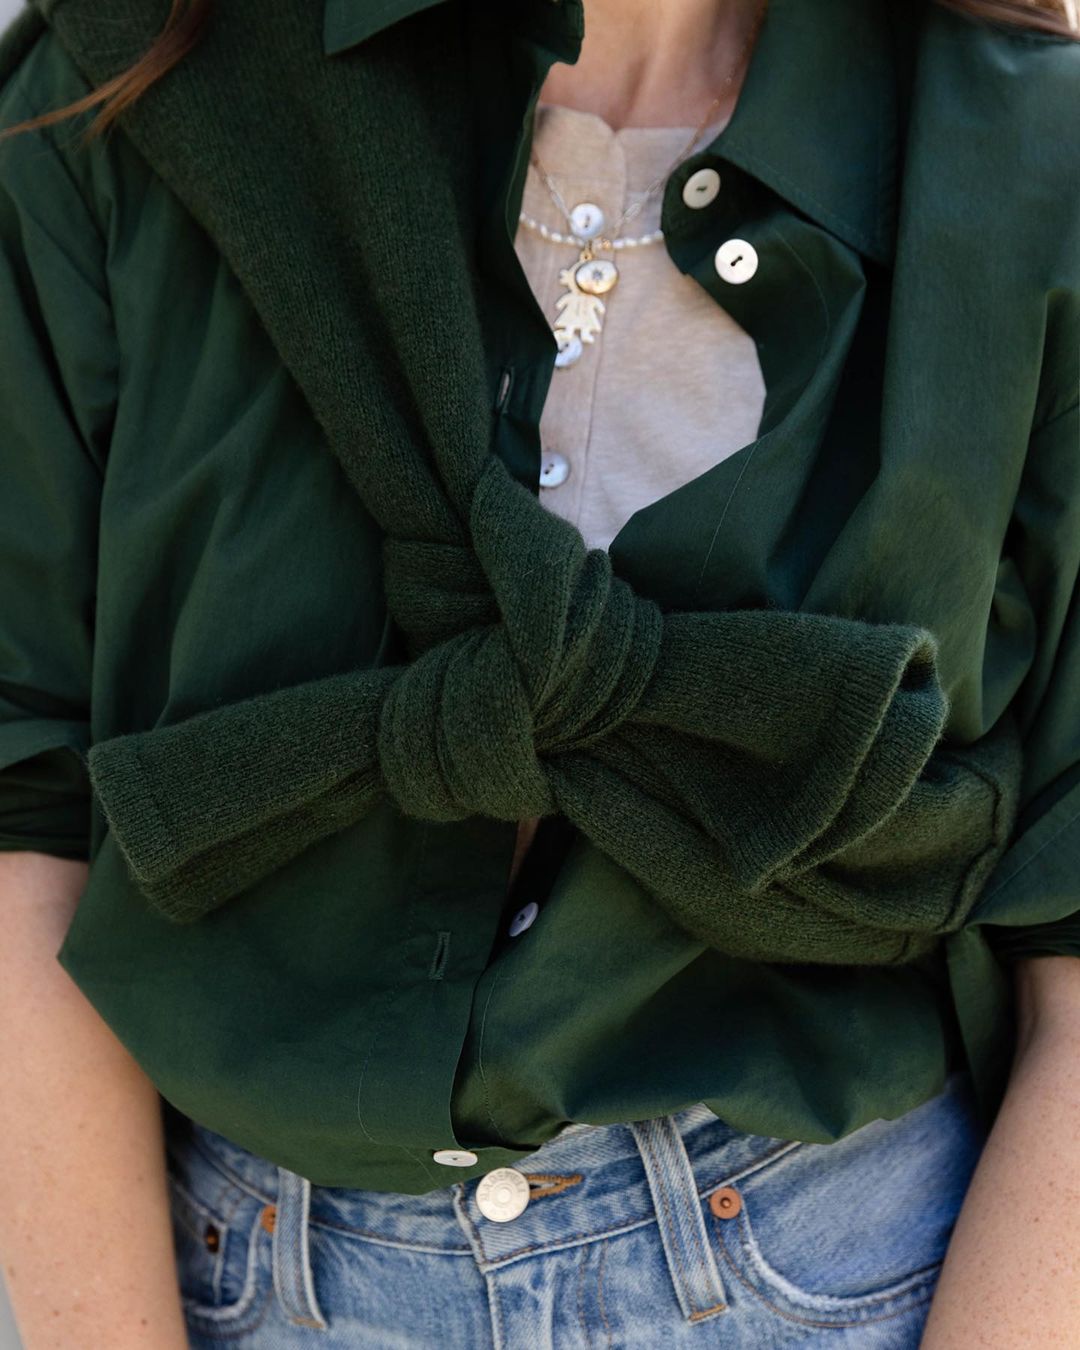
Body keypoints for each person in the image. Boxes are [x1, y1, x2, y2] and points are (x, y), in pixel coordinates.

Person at [0, 0, 1078, 1344]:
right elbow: (23, 822)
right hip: (251, 1282)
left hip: (841, 1281)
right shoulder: (137, 83)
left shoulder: (1032, 160)